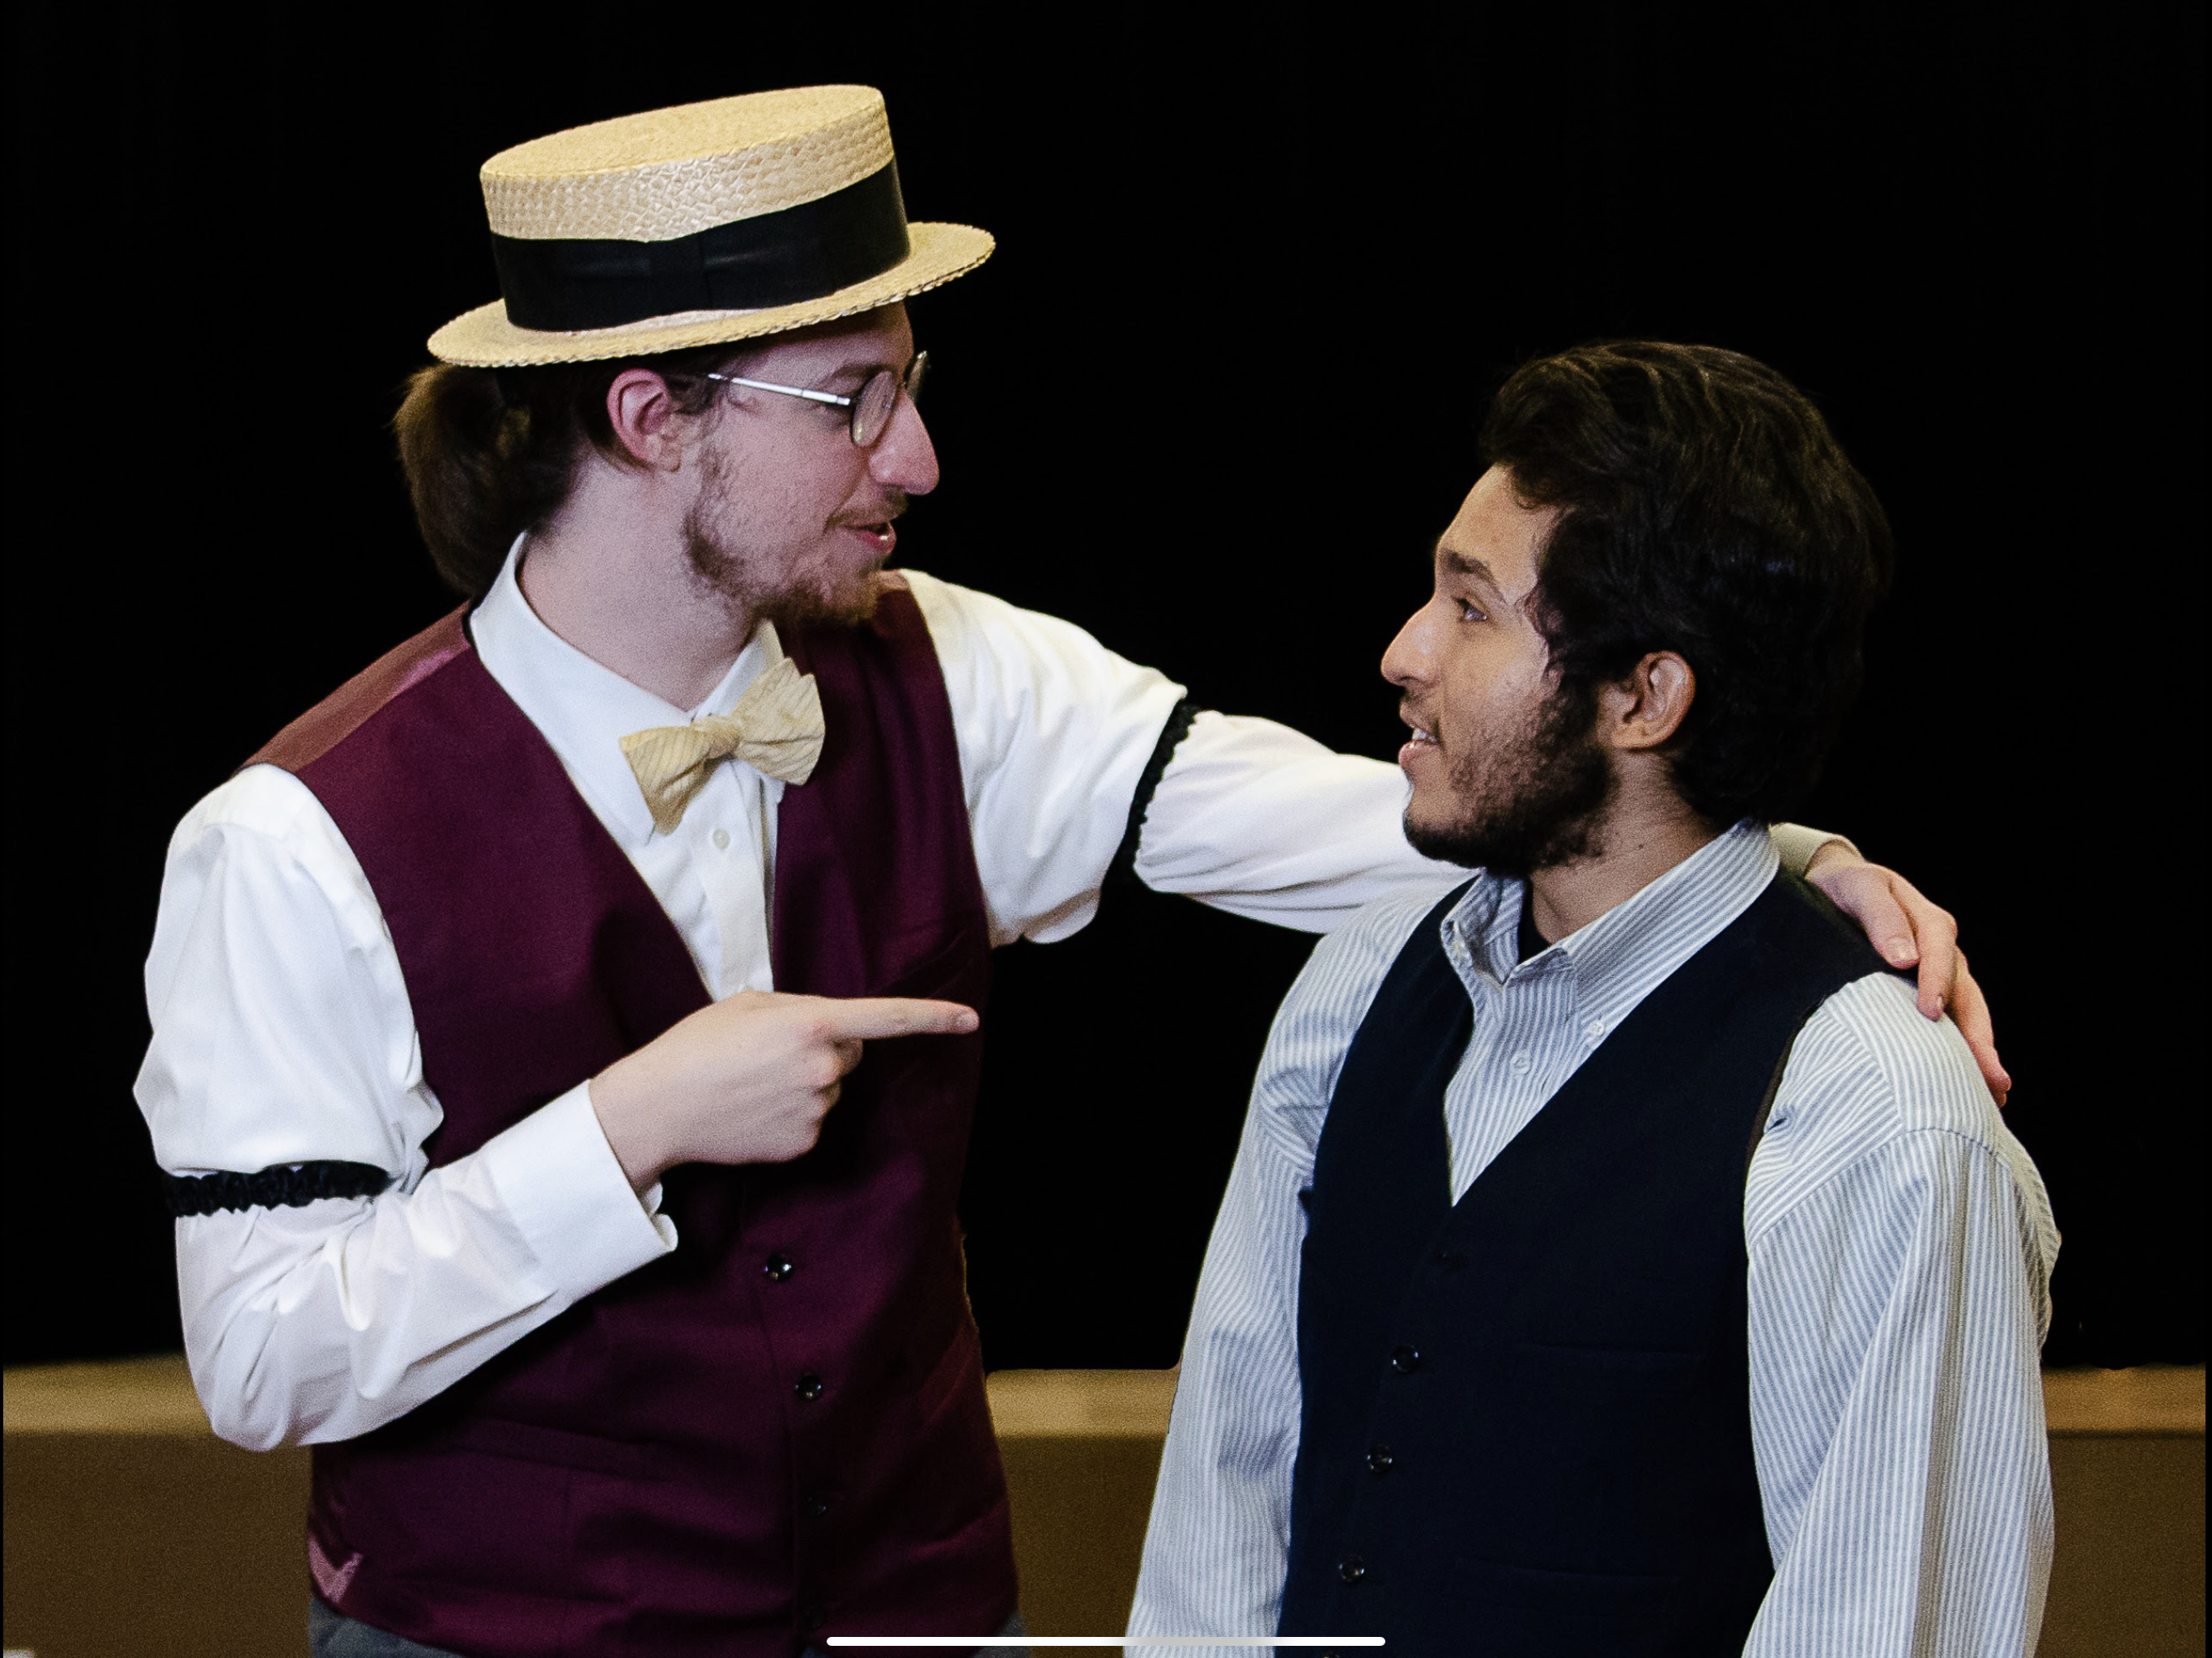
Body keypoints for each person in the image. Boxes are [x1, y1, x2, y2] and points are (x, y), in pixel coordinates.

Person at [135, 90, 1991, 1658]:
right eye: (851, 398)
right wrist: (622, 1129)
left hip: (921, 1615)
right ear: (650, 417)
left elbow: (1418, 817)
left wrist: (1764, 855)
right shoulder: (291, 841)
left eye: (910, 385)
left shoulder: (955, 673)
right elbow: (264, 1359)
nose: (919, 455)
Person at [1129, 342, 2056, 1656]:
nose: (1402, 653)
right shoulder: (1356, 989)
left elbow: (1887, 1622)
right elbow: (1224, 1505)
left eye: (1472, 610)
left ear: (1643, 696)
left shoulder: (1874, 1111)